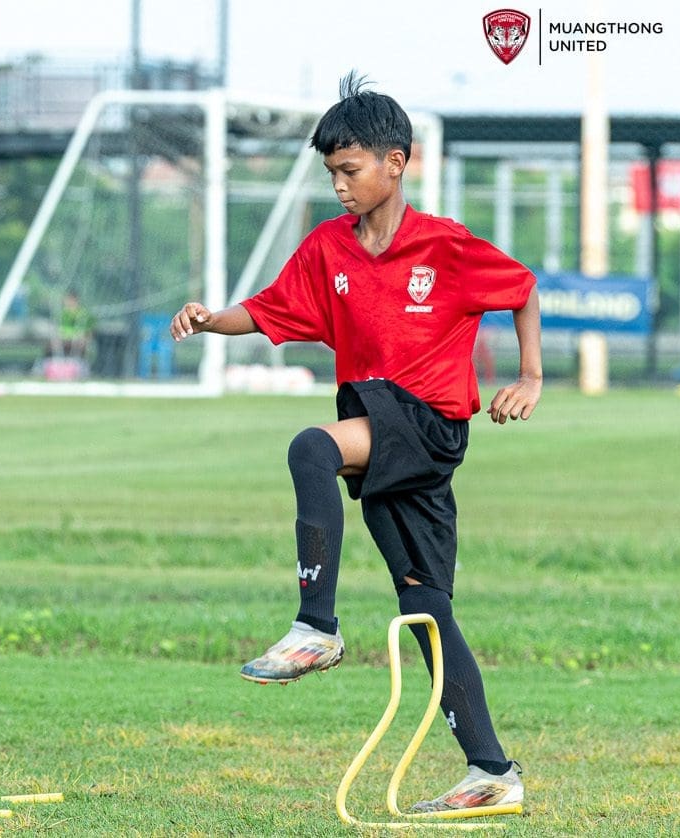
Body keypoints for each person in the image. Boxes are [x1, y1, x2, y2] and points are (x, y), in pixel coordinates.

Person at [169, 73, 542, 815]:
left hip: (430, 427)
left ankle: (317, 625)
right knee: (429, 609)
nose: (338, 186)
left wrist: (530, 376)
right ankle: (493, 773)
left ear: (396, 163)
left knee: (311, 447)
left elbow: (523, 286)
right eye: (331, 173)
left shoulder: (445, 246)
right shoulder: (328, 250)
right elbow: (272, 309)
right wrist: (214, 319)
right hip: (388, 439)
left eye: (350, 170)